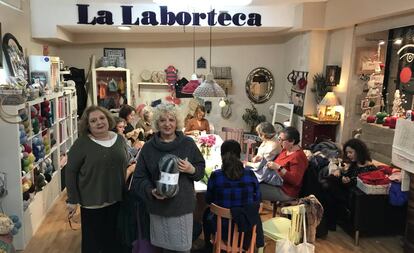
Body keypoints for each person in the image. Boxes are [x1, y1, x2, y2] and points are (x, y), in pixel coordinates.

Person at [132, 103, 205, 253]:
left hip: (182, 208)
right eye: (162, 120)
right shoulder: (148, 148)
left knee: (182, 249)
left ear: (177, 122)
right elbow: (139, 178)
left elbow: (200, 172)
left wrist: (191, 169)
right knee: (161, 250)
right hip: (158, 209)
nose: (167, 124)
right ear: (156, 123)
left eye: (171, 120)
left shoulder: (188, 144)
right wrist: (150, 190)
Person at [65, 105, 131, 253]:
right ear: (88, 125)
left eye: (102, 118)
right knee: (93, 245)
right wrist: (72, 199)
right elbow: (70, 172)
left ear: (108, 119)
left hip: (116, 199)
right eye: (93, 121)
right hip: (92, 202)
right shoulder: (82, 144)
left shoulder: (119, 139)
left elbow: (124, 162)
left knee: (115, 243)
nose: (99, 122)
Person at [203, 140, 262, 251]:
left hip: (223, 229)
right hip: (246, 228)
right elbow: (257, 198)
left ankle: (209, 246)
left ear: (221, 155)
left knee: (206, 213)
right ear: (240, 155)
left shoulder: (216, 175)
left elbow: (208, 199)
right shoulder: (250, 174)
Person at [322, 138, 377, 230]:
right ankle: (329, 222)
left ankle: (329, 222)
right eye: (347, 153)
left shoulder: (369, 167)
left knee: (328, 187)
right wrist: (340, 173)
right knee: (329, 182)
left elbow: (360, 182)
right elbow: (347, 176)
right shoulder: (354, 164)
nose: (348, 155)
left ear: (358, 151)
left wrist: (348, 180)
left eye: (350, 152)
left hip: (354, 195)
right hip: (346, 189)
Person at [260, 126, 308, 202]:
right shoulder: (285, 150)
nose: (279, 142)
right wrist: (262, 160)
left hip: (285, 191)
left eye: (282, 140)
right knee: (251, 181)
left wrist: (279, 168)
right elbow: (275, 164)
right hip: (275, 182)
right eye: (279, 139)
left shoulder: (298, 157)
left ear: (292, 141)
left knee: (252, 189)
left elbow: (295, 181)